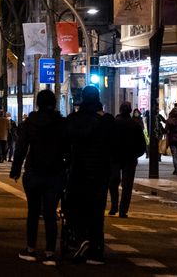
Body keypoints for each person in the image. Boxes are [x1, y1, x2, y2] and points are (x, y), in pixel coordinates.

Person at [10, 88, 66, 266]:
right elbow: (68, 149)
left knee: (33, 212)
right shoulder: (61, 123)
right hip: (55, 172)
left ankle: (31, 249)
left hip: (34, 172)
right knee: (50, 213)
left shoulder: (29, 123)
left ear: (37, 104)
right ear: (54, 103)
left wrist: (16, 169)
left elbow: (20, 148)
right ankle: (50, 253)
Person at [64, 84, 116, 264]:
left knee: (74, 206)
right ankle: (96, 250)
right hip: (101, 172)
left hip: (78, 170)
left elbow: (65, 144)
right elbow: (115, 146)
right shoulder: (107, 121)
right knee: (97, 211)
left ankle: (80, 237)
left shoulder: (73, 119)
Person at [108, 102, 146, 218]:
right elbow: (142, 145)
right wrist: (135, 154)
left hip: (115, 157)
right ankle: (123, 210)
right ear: (130, 111)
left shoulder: (113, 124)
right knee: (127, 185)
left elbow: (107, 141)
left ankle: (114, 206)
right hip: (130, 158)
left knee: (113, 182)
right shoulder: (135, 125)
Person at [165, 103, 177, 175]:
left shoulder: (169, 121)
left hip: (172, 139)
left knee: (174, 154)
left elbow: (166, 129)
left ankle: (176, 168)